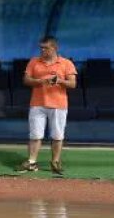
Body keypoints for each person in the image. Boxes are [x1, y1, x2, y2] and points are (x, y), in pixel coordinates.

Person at [17, 36, 78, 176]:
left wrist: (59, 81)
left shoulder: (66, 63)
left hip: (58, 104)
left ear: (54, 48)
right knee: (35, 135)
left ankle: (55, 162)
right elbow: (26, 80)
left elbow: (73, 84)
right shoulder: (34, 61)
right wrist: (40, 81)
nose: (43, 50)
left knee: (57, 135)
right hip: (37, 103)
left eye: (46, 48)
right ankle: (32, 162)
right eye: (41, 48)